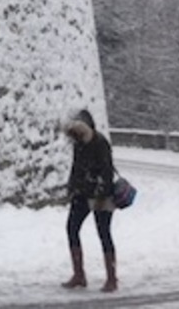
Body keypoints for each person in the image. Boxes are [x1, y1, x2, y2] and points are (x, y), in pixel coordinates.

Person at [60, 109, 118, 293]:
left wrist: (100, 193)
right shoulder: (79, 144)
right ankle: (79, 274)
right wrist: (72, 188)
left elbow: (107, 171)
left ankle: (111, 278)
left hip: (102, 195)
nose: (75, 137)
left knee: (103, 233)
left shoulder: (100, 143)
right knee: (71, 228)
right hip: (83, 194)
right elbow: (76, 167)